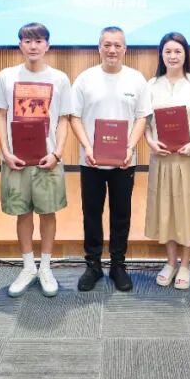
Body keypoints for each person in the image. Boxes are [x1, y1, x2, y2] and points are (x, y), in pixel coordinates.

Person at [0, 22, 74, 297]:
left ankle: (46, 267)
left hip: (47, 158)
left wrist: (57, 153)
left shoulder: (59, 79)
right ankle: (28, 266)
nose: (33, 46)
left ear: (47, 45)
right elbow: (0, 115)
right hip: (15, 159)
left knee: (48, 212)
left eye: (39, 41)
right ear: (20, 45)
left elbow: (64, 119)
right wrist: (5, 151)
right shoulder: (6, 76)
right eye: (28, 41)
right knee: (23, 212)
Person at [70, 26, 151, 292]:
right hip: (91, 160)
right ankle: (93, 265)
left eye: (117, 45)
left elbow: (142, 117)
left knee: (121, 214)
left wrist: (130, 147)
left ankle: (118, 265)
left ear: (125, 49)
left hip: (124, 160)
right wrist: (87, 147)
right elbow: (74, 117)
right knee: (91, 214)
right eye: (107, 45)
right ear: (99, 48)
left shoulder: (136, 79)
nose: (112, 50)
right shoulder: (85, 79)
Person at [145, 32, 190, 290]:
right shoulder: (151, 85)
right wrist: (151, 142)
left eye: (178, 51)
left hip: (189, 158)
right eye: (168, 51)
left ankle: (185, 264)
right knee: (166, 211)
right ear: (161, 54)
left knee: (187, 210)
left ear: (186, 55)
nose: (173, 56)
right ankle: (171, 262)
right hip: (162, 159)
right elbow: (145, 123)